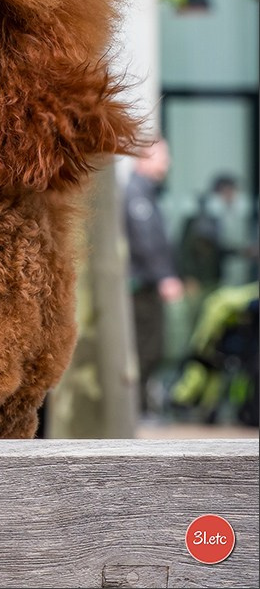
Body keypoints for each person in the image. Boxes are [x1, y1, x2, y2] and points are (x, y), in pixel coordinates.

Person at [123, 138, 184, 414]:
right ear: (144, 158)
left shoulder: (146, 192)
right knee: (146, 349)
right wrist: (164, 277)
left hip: (146, 286)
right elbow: (146, 241)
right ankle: (137, 410)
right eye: (163, 156)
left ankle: (140, 409)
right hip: (141, 287)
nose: (167, 162)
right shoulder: (136, 193)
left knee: (151, 348)